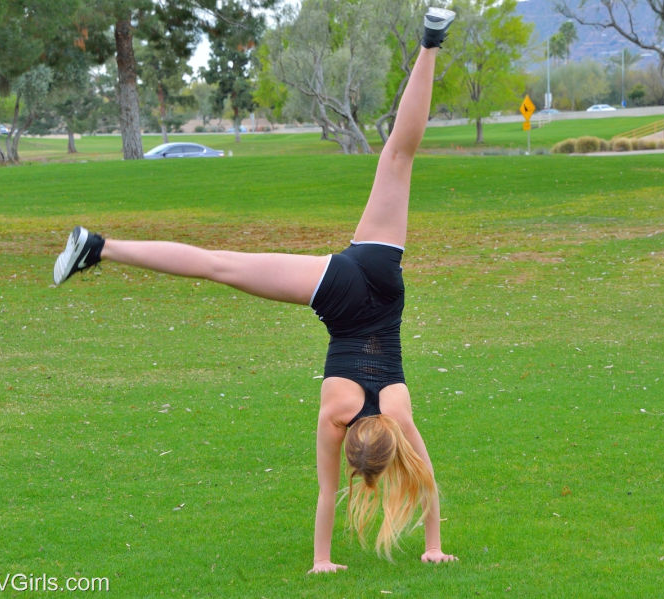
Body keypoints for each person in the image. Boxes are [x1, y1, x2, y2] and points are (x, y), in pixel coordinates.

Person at [53, 7, 458, 575]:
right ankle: (99, 247)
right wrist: (323, 561)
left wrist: (432, 543)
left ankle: (431, 43)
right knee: (219, 267)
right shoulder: (335, 417)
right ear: (354, 459)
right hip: (338, 295)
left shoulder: (396, 411)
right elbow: (329, 497)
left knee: (398, 157)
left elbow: (427, 483)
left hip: (376, 280)